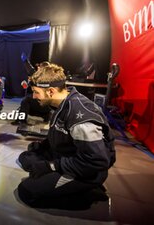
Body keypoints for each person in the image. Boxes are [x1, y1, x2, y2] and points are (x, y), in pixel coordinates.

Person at [16, 62, 116, 208]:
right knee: (25, 158)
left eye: (36, 92)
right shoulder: (62, 102)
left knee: (27, 191)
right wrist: (42, 146)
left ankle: (87, 194)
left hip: (88, 170)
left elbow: (96, 162)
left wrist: (50, 166)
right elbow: (61, 132)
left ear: (50, 91)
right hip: (69, 154)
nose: (34, 96)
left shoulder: (80, 119)